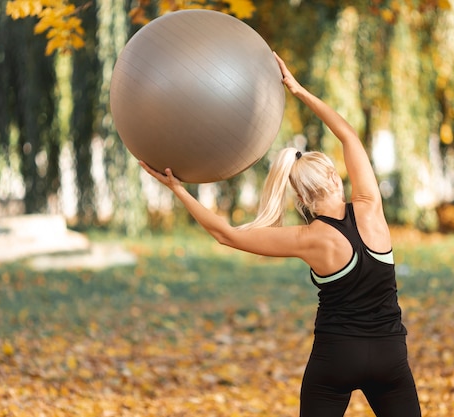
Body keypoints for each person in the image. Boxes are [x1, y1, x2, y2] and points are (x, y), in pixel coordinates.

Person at [139, 52, 421, 417]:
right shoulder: (370, 207)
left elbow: (226, 235)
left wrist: (177, 189)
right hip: (389, 356)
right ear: (335, 177)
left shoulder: (308, 239)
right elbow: (348, 135)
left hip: (336, 357)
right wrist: (299, 90)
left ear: (300, 197)